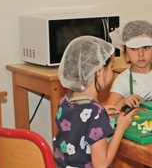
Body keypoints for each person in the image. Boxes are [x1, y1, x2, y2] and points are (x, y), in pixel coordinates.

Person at [53, 36, 136, 168]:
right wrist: (121, 128)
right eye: (111, 66)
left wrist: (101, 112)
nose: (113, 72)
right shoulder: (96, 113)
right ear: (99, 71)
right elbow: (101, 164)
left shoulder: (64, 101)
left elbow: (79, 123)